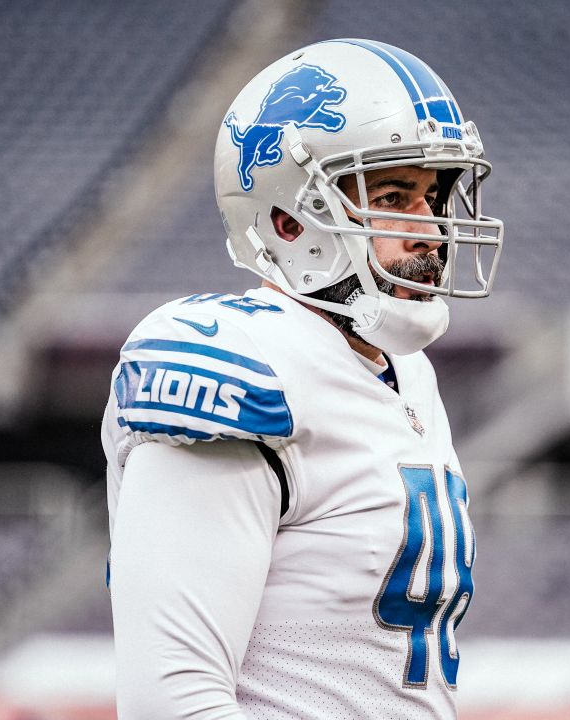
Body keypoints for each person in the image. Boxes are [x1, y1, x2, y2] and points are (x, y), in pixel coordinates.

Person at [103, 38, 504, 719]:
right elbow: (173, 705)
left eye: (433, 195)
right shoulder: (242, 363)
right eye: (394, 195)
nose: (432, 231)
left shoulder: (406, 371)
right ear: (290, 221)